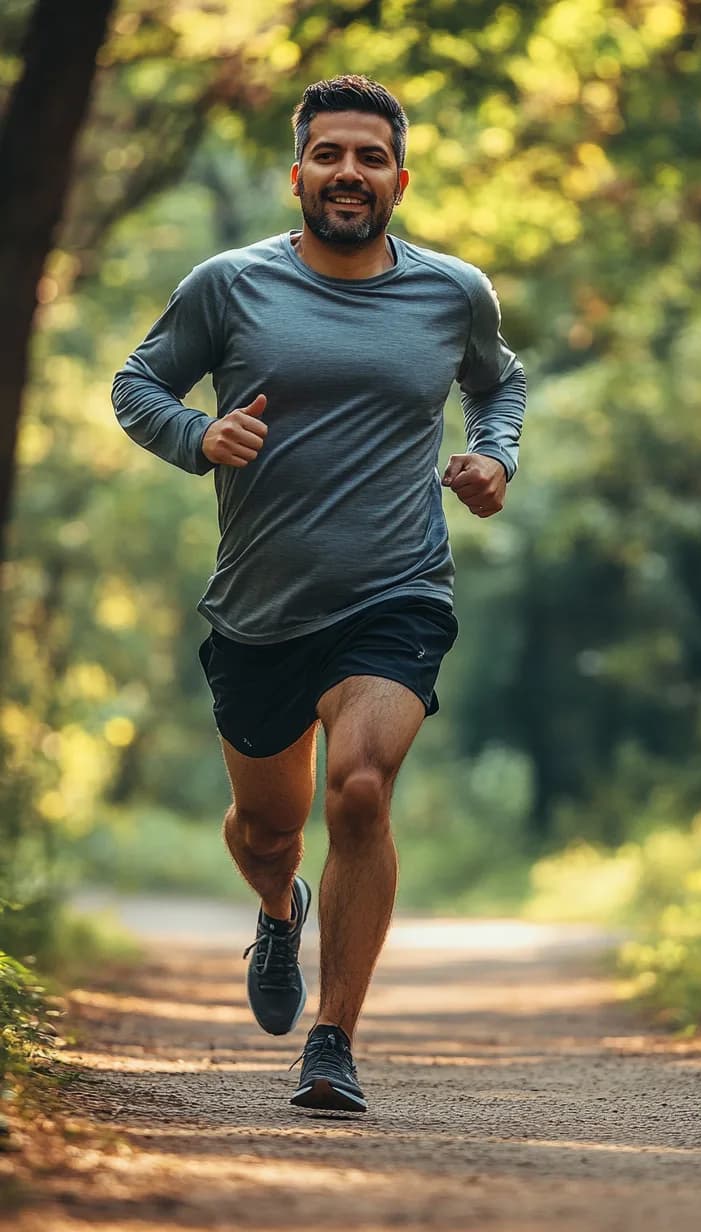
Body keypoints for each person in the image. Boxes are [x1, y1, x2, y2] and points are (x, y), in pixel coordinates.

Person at [111, 75, 526, 1113]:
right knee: (266, 830)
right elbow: (136, 383)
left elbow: (498, 382)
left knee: (360, 788)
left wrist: (493, 457)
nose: (350, 172)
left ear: (399, 178)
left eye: (370, 157)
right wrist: (197, 437)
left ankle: (332, 1039)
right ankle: (276, 906)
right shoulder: (229, 285)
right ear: (298, 173)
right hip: (257, 607)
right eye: (330, 155)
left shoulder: (451, 292)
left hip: (396, 591)